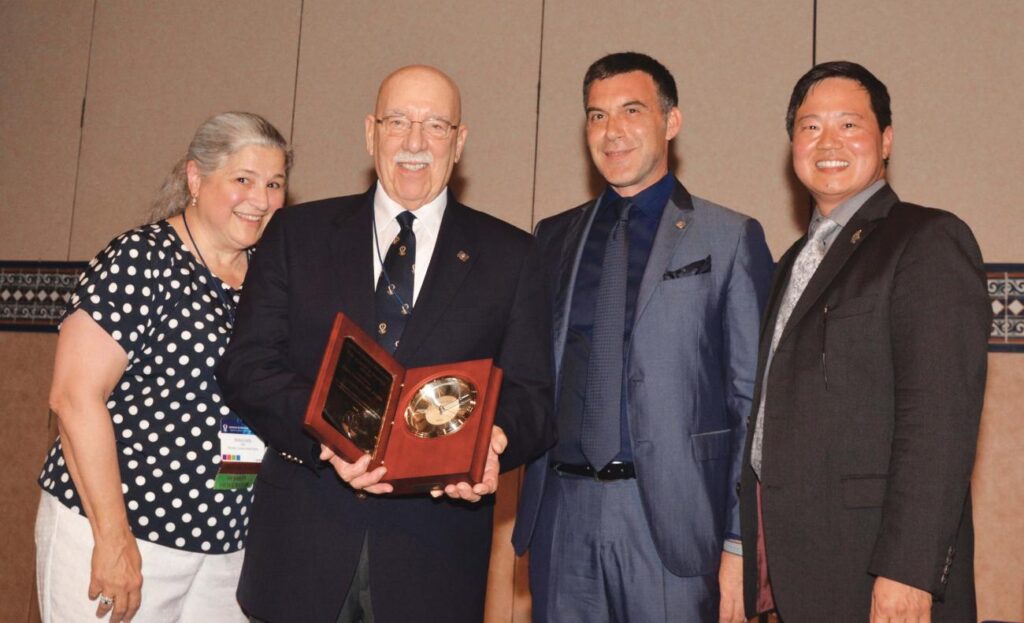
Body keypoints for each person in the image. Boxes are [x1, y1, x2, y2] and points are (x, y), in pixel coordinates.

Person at [216, 65, 555, 623]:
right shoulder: (296, 234)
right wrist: (328, 439)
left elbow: (534, 397)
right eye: (398, 121)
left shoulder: (513, 257)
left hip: (435, 562)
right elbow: (247, 366)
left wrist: (494, 444)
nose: (415, 142)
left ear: (459, 141)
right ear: (370, 132)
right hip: (300, 550)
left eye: (435, 125)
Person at [512, 51, 773, 622]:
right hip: (562, 518)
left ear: (671, 122)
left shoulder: (728, 238)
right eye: (597, 116)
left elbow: (755, 405)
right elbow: (526, 376)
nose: (612, 132)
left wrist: (738, 543)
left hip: (676, 529)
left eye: (631, 110)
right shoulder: (552, 239)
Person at [740, 61, 990, 622]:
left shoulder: (926, 240)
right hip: (799, 568)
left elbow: (939, 424)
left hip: (880, 571)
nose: (827, 142)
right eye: (810, 127)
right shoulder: (788, 265)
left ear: (886, 141)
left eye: (849, 125)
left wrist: (909, 571)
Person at [35, 112, 291, 623]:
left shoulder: (271, 279)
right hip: (125, 535)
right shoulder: (142, 259)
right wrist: (112, 540)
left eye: (275, 184)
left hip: (226, 550)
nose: (260, 199)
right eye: (243, 179)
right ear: (196, 178)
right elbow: (73, 396)